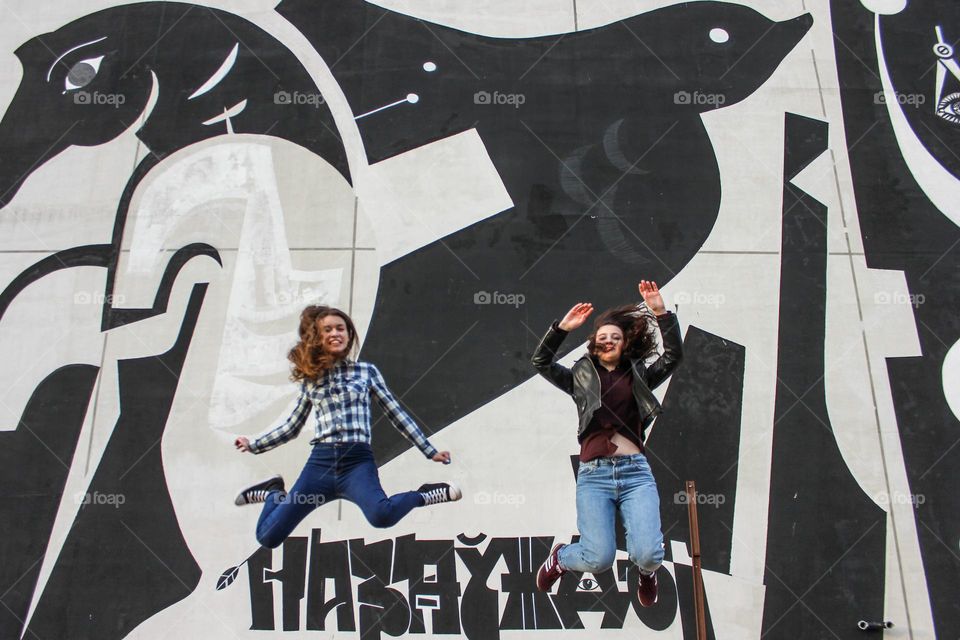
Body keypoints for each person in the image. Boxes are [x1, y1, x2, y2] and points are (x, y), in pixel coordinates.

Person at [233, 305, 460, 548]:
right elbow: (291, 427)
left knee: (381, 516)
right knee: (267, 537)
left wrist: (429, 450)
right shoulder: (312, 380)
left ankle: (422, 495)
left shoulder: (366, 372)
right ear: (318, 338)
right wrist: (254, 444)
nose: (335, 333)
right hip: (320, 466)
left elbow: (396, 412)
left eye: (341, 328)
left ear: (349, 334)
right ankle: (273, 492)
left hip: (357, 463)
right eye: (327, 329)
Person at [531, 280, 682, 606]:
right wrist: (561, 329)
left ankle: (647, 571)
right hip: (594, 476)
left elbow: (672, 357)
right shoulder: (579, 379)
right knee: (598, 558)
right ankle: (560, 558)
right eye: (603, 337)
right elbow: (541, 363)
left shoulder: (639, 374)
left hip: (634, 473)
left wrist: (661, 313)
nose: (610, 341)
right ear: (594, 346)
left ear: (625, 343)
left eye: (616, 337)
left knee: (648, 553)